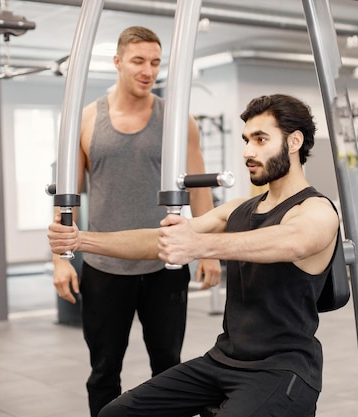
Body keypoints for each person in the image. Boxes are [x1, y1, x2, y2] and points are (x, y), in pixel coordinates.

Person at [48, 94, 340, 417]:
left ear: (294, 141)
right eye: (246, 140)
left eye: (260, 139)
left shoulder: (317, 210)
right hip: (223, 361)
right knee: (115, 413)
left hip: (284, 369)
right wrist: (80, 239)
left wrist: (199, 246)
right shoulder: (239, 209)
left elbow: (290, 242)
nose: (248, 152)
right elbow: (161, 240)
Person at [51, 26, 222, 417]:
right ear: (118, 61)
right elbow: (68, 199)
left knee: (168, 366)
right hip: (103, 268)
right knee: (104, 371)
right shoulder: (87, 119)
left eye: (155, 62)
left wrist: (210, 251)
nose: (148, 70)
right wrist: (61, 259)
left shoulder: (179, 121)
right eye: (139, 61)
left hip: (165, 264)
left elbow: (199, 191)